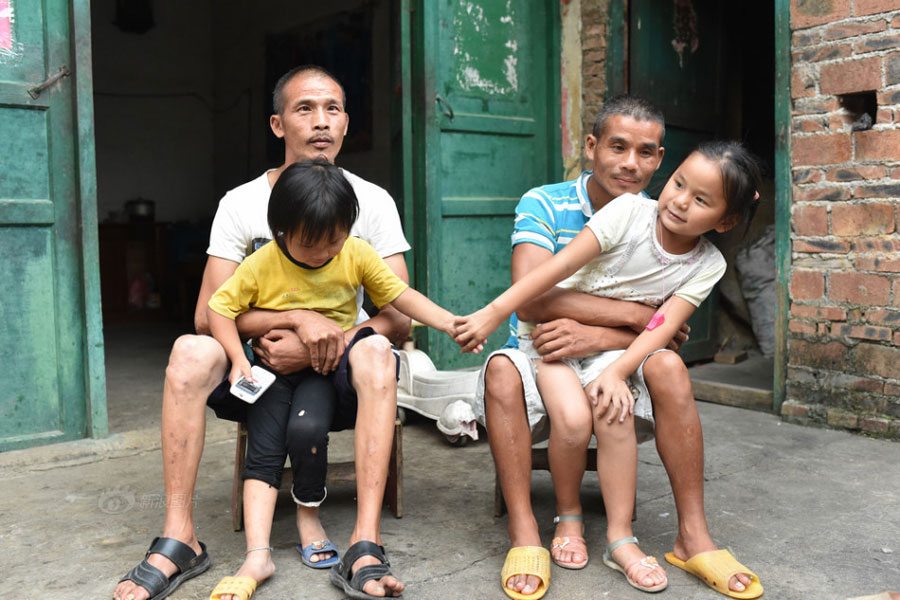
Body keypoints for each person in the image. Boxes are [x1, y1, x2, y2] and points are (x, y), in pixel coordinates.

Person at [114, 65, 411, 600]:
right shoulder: (241, 203)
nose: (321, 122)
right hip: (254, 362)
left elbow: (397, 316)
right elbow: (209, 313)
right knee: (188, 351)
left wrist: (329, 338)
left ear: (346, 123)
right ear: (277, 125)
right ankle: (180, 536)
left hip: (336, 368)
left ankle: (365, 541)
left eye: (333, 109)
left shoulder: (374, 201)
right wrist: (293, 321)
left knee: (380, 353)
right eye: (304, 109)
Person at [474, 96, 759, 600]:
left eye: (647, 154)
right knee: (562, 407)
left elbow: (664, 333)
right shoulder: (579, 206)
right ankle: (548, 525)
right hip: (546, 344)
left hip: (611, 354)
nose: (632, 164)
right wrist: (634, 316)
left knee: (627, 397)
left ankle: (653, 537)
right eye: (618, 147)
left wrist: (615, 346)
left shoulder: (701, 258)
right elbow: (541, 292)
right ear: (591, 147)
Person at [205, 160, 464, 600]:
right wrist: (236, 360)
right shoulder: (261, 261)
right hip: (268, 370)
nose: (324, 252)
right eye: (311, 243)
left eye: (335, 239)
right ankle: (257, 554)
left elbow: (400, 297)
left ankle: (309, 516)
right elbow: (218, 309)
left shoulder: (356, 253)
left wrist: (450, 322)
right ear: (282, 228)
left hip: (323, 372)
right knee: (264, 446)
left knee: (306, 431)